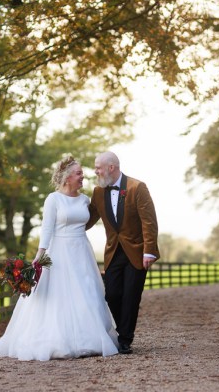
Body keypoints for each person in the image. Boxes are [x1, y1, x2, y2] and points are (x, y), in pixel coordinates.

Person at [0, 155, 119, 360]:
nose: (83, 176)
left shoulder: (85, 200)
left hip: (81, 251)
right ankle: (59, 340)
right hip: (58, 253)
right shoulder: (53, 199)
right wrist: (38, 259)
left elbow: (92, 220)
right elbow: (47, 229)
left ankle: (89, 338)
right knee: (59, 296)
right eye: (78, 173)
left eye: (82, 173)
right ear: (67, 178)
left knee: (86, 292)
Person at [86, 151, 160, 354]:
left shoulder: (137, 187)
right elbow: (88, 219)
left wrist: (149, 251)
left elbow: (149, 222)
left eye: (98, 167)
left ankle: (125, 339)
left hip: (137, 252)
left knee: (131, 297)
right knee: (112, 295)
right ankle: (121, 331)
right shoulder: (98, 192)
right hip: (113, 253)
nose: (95, 171)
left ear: (111, 167)